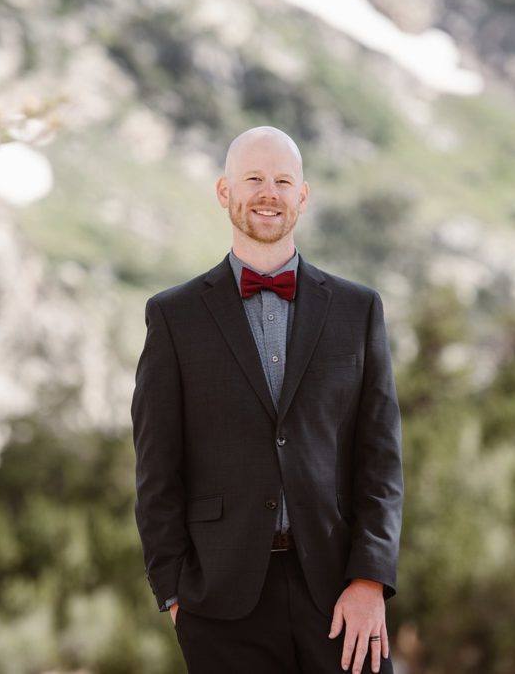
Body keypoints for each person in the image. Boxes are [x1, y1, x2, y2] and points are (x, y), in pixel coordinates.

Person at [132, 126, 403, 674]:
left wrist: (370, 579)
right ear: (223, 191)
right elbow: (156, 467)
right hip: (220, 602)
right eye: (253, 178)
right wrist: (175, 594)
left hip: (340, 594)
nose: (268, 192)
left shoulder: (359, 310)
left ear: (303, 195)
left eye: (282, 180)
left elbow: (381, 459)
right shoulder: (173, 316)